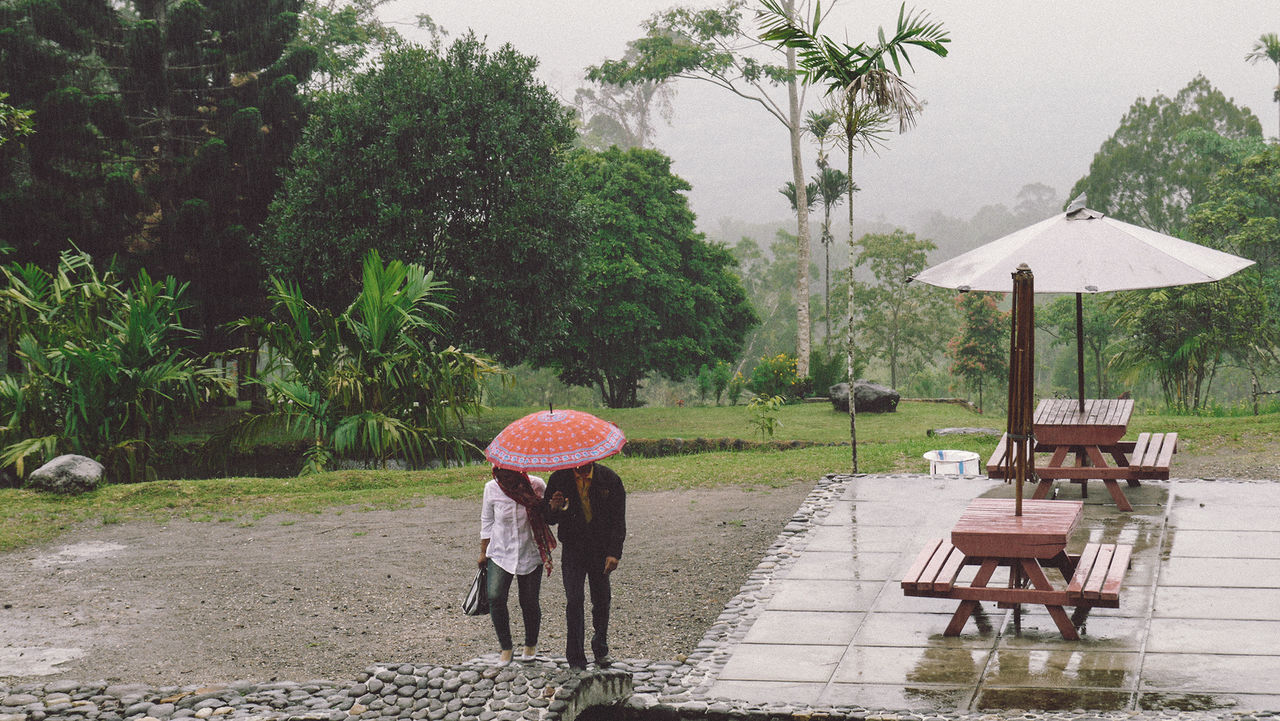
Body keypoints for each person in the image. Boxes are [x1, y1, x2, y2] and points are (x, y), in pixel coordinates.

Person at [542, 461, 626, 670]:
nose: (580, 466)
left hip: (600, 548)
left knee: (601, 599)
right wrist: (553, 508)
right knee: (574, 600)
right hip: (573, 548)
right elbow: (548, 518)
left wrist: (614, 553)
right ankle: (576, 658)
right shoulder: (558, 479)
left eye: (585, 462)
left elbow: (618, 520)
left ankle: (600, 647)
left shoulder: (609, 479)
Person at [479, 466, 555, 666]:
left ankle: (530, 644)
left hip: (529, 551)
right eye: (500, 473)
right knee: (495, 596)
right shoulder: (491, 488)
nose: (504, 478)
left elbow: (549, 515)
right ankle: (506, 647)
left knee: (529, 600)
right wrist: (482, 551)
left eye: (509, 474)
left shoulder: (536, 485)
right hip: (500, 551)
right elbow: (487, 520)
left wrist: (552, 506)